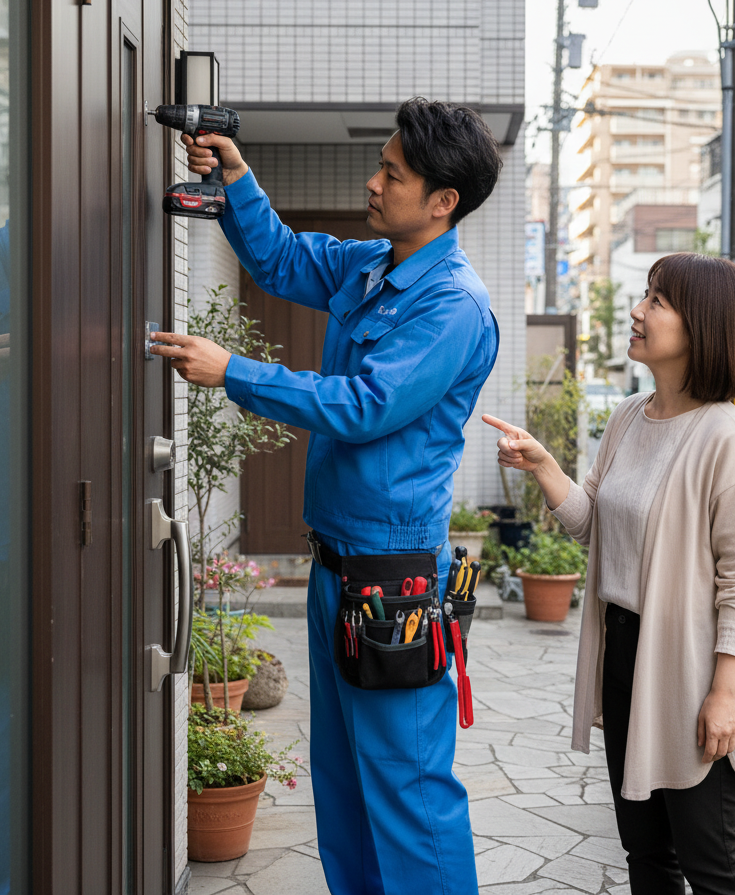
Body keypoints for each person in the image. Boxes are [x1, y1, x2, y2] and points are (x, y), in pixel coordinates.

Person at [149, 97, 501, 895]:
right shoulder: (375, 265)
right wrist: (237, 176)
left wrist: (233, 370)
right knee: (342, 781)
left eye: (393, 173)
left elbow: (366, 404)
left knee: (409, 789)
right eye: (380, 164)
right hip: (338, 565)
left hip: (393, 579)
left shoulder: (451, 304)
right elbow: (279, 260)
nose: (373, 183)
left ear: (443, 201)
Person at [484, 252, 735, 895]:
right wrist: (543, 465)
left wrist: (726, 694)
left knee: (710, 860)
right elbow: (593, 523)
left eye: (657, 301)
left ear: (704, 326)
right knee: (645, 849)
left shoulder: (728, 441)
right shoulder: (629, 417)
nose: (637, 312)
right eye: (645, 296)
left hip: (693, 668)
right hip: (625, 652)